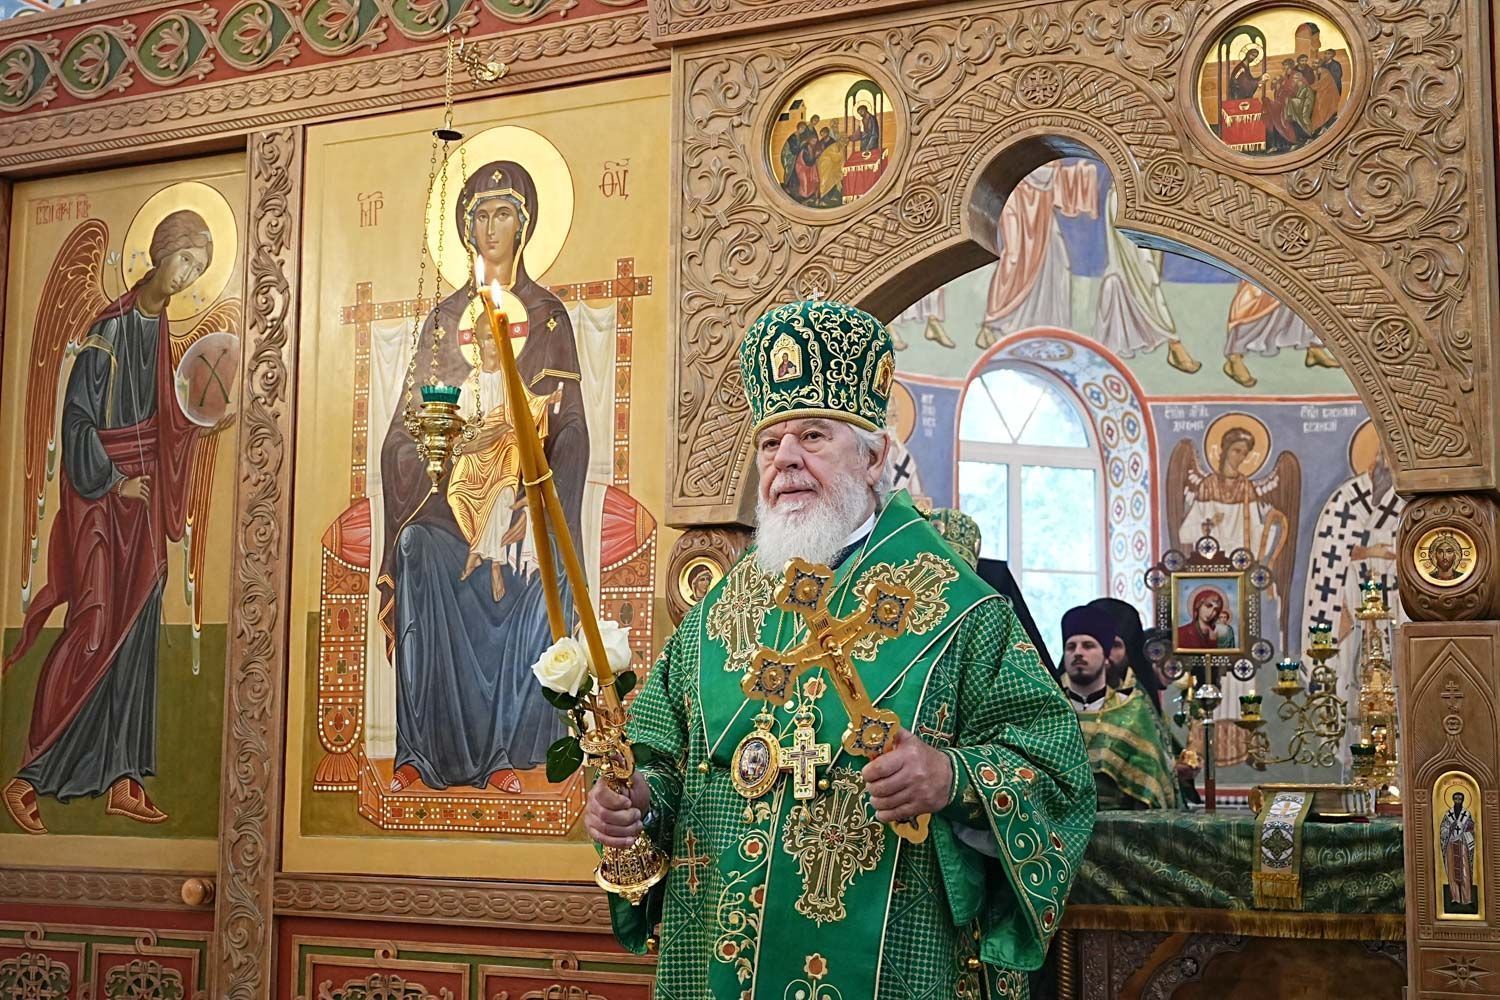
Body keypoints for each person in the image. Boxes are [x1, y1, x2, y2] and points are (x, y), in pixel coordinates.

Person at [586, 299, 1093, 999]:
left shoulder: (961, 608)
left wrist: (951, 778)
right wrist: (636, 803)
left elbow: (1057, 770)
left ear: (875, 457)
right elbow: (662, 758)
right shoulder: (716, 617)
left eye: (813, 436)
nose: (785, 460)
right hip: (721, 964)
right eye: (770, 443)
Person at [3, 210, 235, 834]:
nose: (186, 276)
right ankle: (28, 776)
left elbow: (163, 421)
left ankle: (123, 779)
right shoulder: (107, 330)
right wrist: (113, 480)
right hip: (102, 501)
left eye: (198, 269)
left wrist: (202, 422)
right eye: (184, 260)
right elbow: (77, 422)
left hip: (143, 506)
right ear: (160, 253)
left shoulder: (161, 333)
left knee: (138, 634)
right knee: (94, 623)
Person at [378, 160, 588, 796]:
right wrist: (435, 456)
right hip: (449, 512)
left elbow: (572, 429)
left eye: (503, 214)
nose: (490, 227)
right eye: (480, 216)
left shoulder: (548, 317)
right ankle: (420, 750)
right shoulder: (443, 322)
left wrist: (536, 497)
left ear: (523, 225)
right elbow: (400, 437)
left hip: (527, 506)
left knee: (547, 563)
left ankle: (510, 750)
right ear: (466, 230)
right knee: (415, 549)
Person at [1060, 606, 1178, 811]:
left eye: (1088, 646)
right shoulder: (1048, 709)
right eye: (1071, 647)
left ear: (1105, 655)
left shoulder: (1133, 711)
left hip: (1121, 824)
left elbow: (1152, 786)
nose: (1078, 652)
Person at [1441, 791, 1477, 909]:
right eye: (1455, 799)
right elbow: (1443, 828)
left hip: (1462, 844)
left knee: (1465, 871)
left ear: (1462, 800)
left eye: (1459, 799)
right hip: (1451, 844)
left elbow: (1471, 827)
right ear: (1453, 800)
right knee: (1452, 871)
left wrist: (1468, 827)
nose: (1457, 801)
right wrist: (1448, 829)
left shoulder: (1466, 814)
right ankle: (1455, 898)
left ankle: (1467, 899)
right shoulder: (1448, 814)